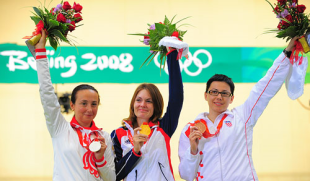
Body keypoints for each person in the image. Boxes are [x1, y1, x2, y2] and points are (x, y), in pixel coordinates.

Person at [178, 37, 308, 181]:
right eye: (214, 92)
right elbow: (186, 175)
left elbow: (265, 87)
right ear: (206, 95)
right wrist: (193, 150)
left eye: (224, 93)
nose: (219, 97)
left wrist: (287, 52)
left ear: (231, 98)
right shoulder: (191, 130)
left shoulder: (242, 117)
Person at [34, 30, 116, 181]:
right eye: (83, 103)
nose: (89, 109)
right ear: (72, 105)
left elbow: (111, 179)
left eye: (94, 104)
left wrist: (100, 158)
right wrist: (40, 53)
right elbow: (46, 93)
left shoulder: (104, 137)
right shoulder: (60, 129)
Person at [111, 48, 184, 181]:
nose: (142, 104)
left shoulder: (164, 127)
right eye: (138, 100)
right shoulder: (118, 134)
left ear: (156, 105)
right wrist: (135, 151)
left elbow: (176, 97)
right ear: (133, 103)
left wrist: (172, 55)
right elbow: (114, 175)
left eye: (149, 101)